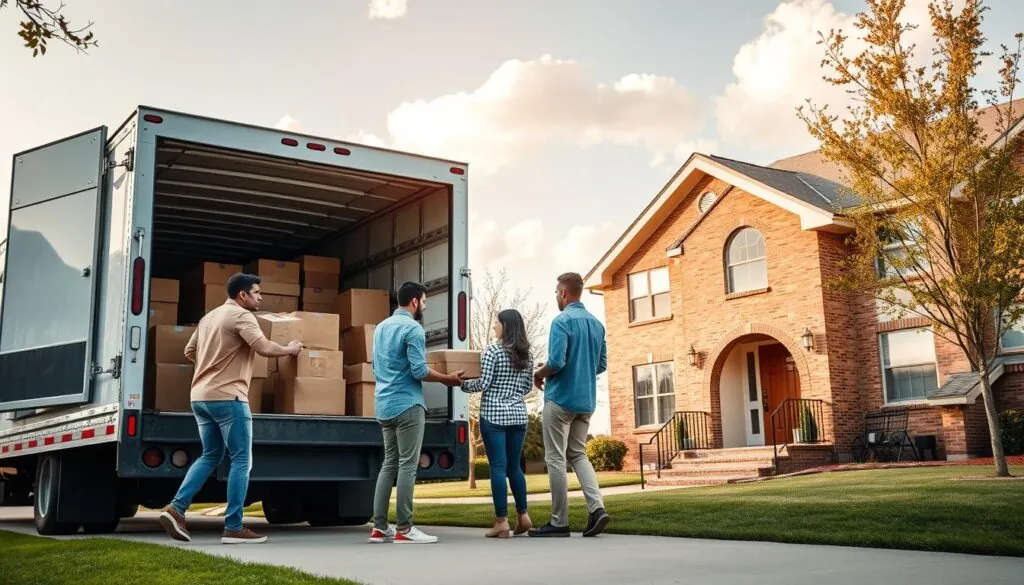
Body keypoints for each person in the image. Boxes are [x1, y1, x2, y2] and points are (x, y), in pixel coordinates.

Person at [159, 272, 303, 545]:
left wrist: (213, 364)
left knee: (211, 455)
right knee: (241, 459)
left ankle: (176, 509)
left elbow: (190, 351)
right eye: (257, 292)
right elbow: (263, 347)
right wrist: (290, 349)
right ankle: (234, 527)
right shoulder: (241, 316)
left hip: (200, 397)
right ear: (242, 295)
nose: (260, 297)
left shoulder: (208, 318)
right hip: (229, 398)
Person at [369, 281, 464, 544]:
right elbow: (419, 371)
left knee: (388, 465)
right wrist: (447, 378)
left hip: (384, 405)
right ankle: (405, 528)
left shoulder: (380, 329)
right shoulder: (413, 328)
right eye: (423, 301)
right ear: (414, 302)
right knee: (408, 466)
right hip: (408, 405)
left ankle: (379, 528)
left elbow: (374, 368)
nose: (424, 305)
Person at [530, 272, 609, 538]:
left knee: (555, 457)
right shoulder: (597, 324)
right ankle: (597, 509)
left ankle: (558, 521)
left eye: (556, 292)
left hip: (560, 399)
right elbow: (601, 364)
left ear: (564, 293)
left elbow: (556, 362)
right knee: (578, 454)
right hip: (586, 401)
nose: (556, 296)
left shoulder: (561, 321)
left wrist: (539, 373)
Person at [459, 309, 535, 538]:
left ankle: (501, 521)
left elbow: (484, 382)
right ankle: (523, 516)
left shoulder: (492, 350)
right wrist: (512, 396)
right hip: (518, 416)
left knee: (498, 468)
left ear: (506, 326)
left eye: (497, 324)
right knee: (515, 468)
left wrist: (461, 384)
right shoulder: (527, 354)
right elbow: (527, 387)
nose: (494, 327)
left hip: (493, 416)